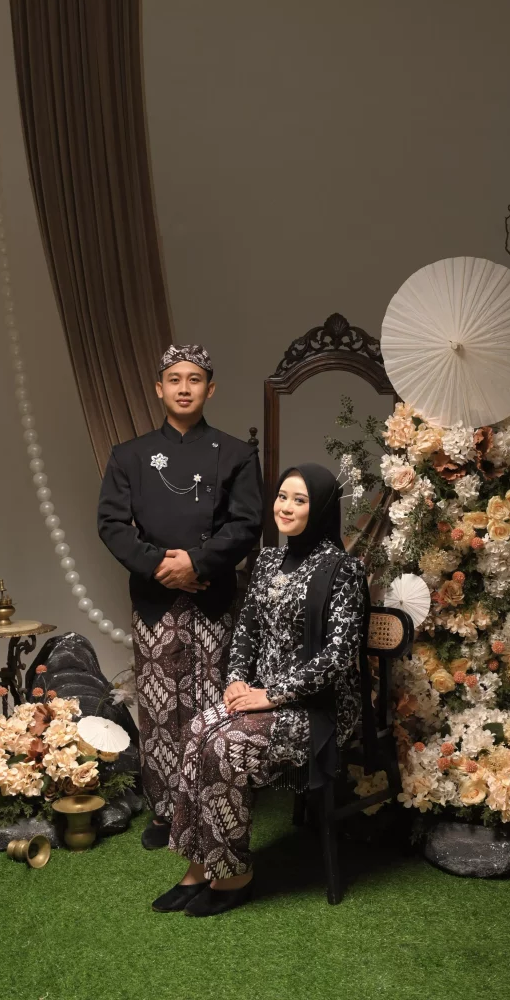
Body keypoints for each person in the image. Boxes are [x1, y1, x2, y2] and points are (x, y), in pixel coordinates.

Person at [153, 462, 367, 916]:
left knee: (224, 746)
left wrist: (272, 695)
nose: (285, 507)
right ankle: (198, 867)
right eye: (282, 496)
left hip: (317, 709)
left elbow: (339, 655)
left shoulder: (343, 570)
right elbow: (246, 631)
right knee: (196, 731)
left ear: (321, 508)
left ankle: (234, 874)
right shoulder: (268, 560)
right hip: (261, 697)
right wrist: (236, 679)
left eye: (300, 500)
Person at [97, 344, 263, 849]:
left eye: (194, 379)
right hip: (155, 600)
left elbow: (247, 524)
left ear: (210, 389)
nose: (184, 388)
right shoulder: (129, 455)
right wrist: (161, 567)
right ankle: (166, 812)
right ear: (159, 388)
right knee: (159, 706)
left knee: (214, 703)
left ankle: (213, 806)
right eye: (174, 379)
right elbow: (111, 524)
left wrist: (196, 562)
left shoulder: (236, 453)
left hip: (214, 597)